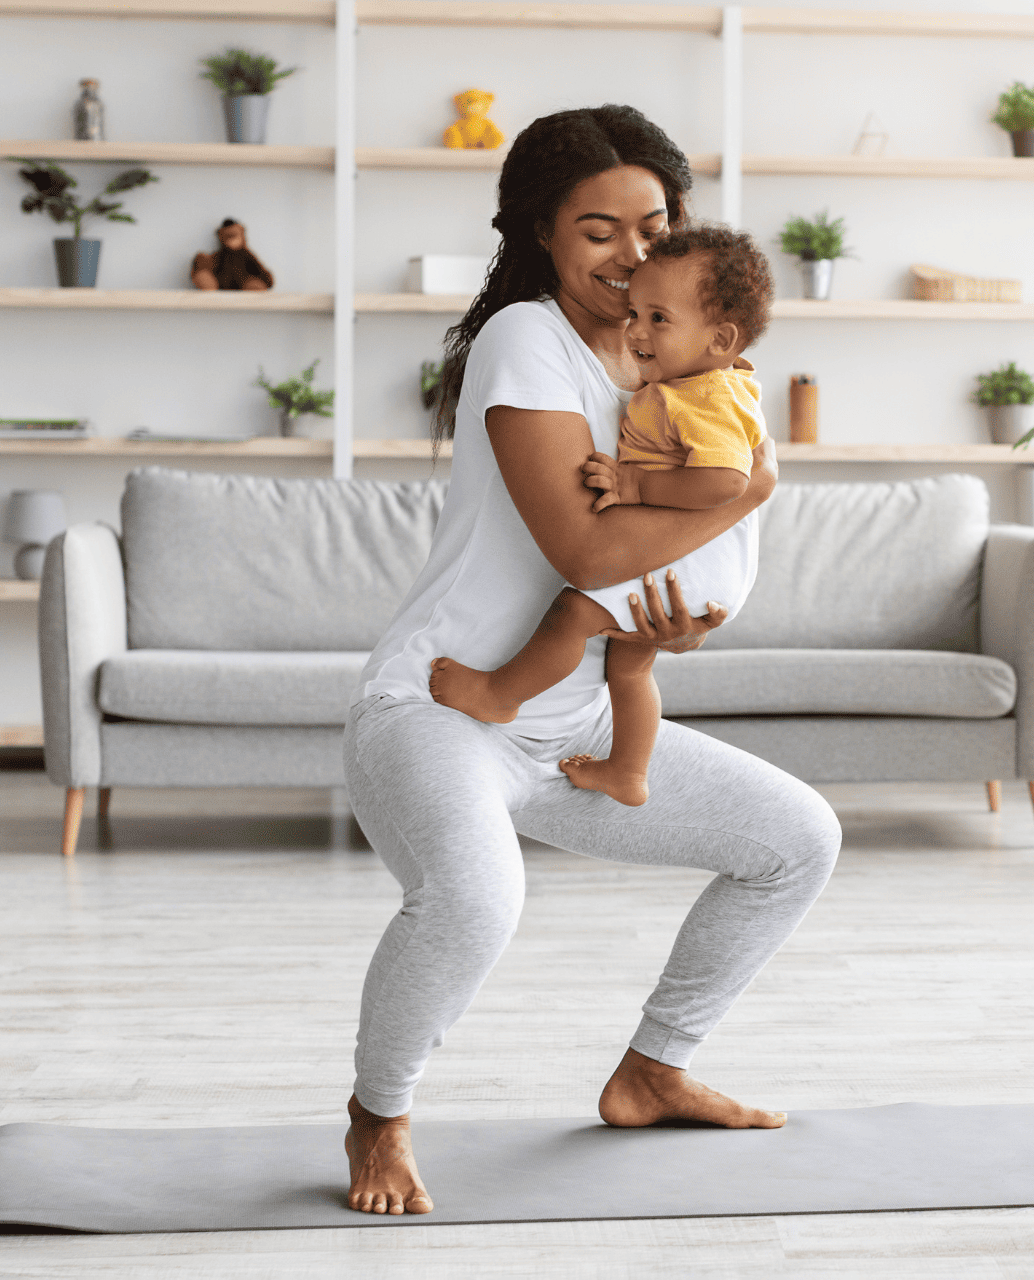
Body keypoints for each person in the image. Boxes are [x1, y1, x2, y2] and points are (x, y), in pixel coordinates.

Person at [342, 104, 842, 1217]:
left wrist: (676, 624)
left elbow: (643, 567)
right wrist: (746, 492)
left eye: (652, 225)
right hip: (440, 706)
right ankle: (379, 1112)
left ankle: (651, 1070)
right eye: (597, 231)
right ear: (540, 236)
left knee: (797, 838)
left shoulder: (671, 358)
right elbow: (584, 546)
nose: (630, 256)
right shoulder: (527, 338)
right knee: (476, 898)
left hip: (572, 724)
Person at [426, 224, 776, 808]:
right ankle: (627, 771)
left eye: (657, 319)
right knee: (632, 668)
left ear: (720, 340)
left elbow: (728, 482)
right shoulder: (694, 383)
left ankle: (499, 693)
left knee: (572, 613)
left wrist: (635, 482)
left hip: (691, 555)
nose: (635, 330)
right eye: (636, 312)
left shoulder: (706, 396)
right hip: (696, 560)